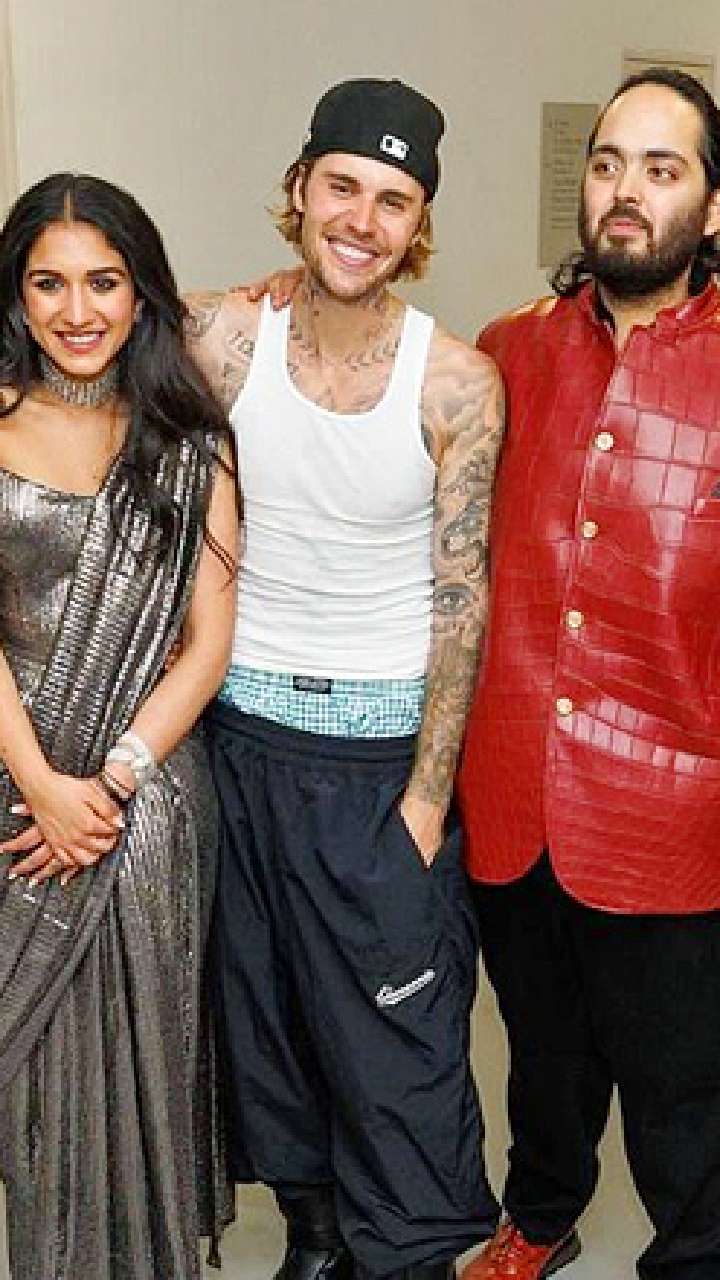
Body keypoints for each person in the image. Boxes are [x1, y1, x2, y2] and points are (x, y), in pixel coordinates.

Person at [185, 78, 504, 1280]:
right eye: (342, 188)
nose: (362, 220)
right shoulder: (222, 336)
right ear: (299, 188)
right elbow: (71, 325)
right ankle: (315, 1242)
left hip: (376, 767)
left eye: (393, 200)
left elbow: (462, 594)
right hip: (239, 742)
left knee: (398, 1050)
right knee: (264, 1031)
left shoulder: (455, 381)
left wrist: (426, 795)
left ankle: (405, 1259)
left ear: (418, 224)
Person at [457, 68, 720, 1280]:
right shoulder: (507, 350)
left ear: (709, 207)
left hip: (678, 814)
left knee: (686, 1090)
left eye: (661, 170)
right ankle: (541, 1214)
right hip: (517, 790)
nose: (625, 191)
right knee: (545, 1056)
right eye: (609, 163)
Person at [0, 172, 238, 1280]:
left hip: (145, 815)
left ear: (141, 293)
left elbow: (208, 642)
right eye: (49, 283)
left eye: (103, 281)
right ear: (17, 295)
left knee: (144, 1086)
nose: (78, 309)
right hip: (17, 807)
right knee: (36, 1105)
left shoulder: (191, 439)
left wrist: (111, 781)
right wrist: (44, 786)